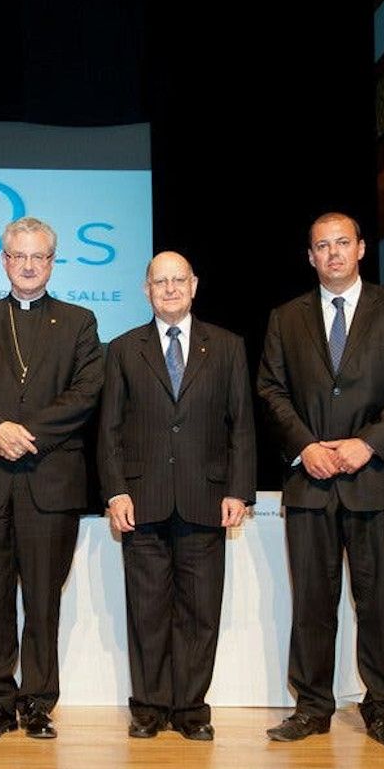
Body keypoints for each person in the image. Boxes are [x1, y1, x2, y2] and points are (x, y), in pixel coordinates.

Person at [257, 212, 384, 750]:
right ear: (310, 257)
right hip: (310, 482)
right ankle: (311, 707)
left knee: (379, 603)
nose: (332, 253)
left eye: (342, 243)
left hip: (379, 480)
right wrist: (305, 446)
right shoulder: (286, 319)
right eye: (321, 246)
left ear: (360, 249)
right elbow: (271, 390)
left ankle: (383, 710)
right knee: (311, 602)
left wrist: (367, 444)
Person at [0, 217, 103, 741]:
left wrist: (24, 433)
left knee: (42, 597)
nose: (29, 265)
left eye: (40, 257)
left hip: (50, 479)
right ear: (5, 260)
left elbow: (85, 394)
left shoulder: (79, 322)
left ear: (52, 262)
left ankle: (37, 702)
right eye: (19, 256)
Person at [98, 251, 255, 741]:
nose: (169, 289)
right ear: (146, 290)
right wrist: (115, 491)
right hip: (141, 502)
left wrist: (239, 490)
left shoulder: (227, 347)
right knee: (146, 611)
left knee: (200, 611)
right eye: (159, 282)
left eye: (178, 280)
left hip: (206, 499)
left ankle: (190, 708)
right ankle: (148, 706)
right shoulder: (124, 349)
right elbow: (109, 431)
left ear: (194, 285)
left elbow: (242, 426)